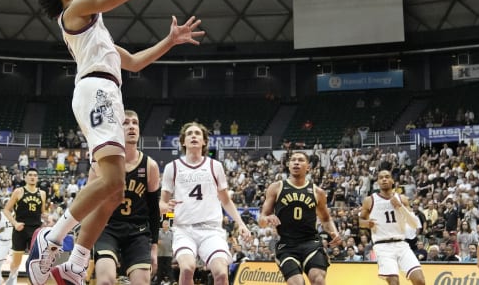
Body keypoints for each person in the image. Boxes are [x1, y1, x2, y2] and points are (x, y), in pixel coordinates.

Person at [28, 0, 204, 285]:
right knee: (110, 184)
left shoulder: (96, 30)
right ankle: (52, 238)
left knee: (115, 187)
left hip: (104, 90)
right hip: (96, 91)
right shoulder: (78, 8)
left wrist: (169, 42)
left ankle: (76, 263)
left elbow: (136, 62)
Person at [159, 122, 251, 285]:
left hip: (211, 230)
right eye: (189, 134)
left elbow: (225, 200)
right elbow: (162, 203)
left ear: (204, 142)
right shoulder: (171, 167)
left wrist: (241, 223)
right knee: (187, 268)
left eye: (197, 134)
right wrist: (165, 208)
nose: (193, 136)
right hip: (184, 229)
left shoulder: (215, 166)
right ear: (183, 141)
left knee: (221, 273)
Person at [90, 110, 161, 285]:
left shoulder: (150, 166)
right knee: (105, 281)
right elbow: (88, 203)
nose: (131, 126)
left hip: (138, 231)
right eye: (126, 122)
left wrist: (154, 247)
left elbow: (154, 210)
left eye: (135, 123)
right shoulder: (103, 163)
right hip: (107, 228)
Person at [259, 151, 342, 285]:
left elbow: (326, 219)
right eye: (293, 160)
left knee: (318, 279)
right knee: (297, 283)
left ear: (308, 167)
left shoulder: (318, 192)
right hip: (287, 244)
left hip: (311, 243)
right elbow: (261, 220)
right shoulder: (276, 188)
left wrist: (334, 233)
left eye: (301, 160)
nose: (296, 162)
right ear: (288, 165)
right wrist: (267, 219)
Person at [359, 170, 425, 285]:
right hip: (382, 246)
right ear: (378, 182)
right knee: (394, 282)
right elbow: (360, 221)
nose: (384, 179)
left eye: (387, 177)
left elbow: (415, 224)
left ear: (392, 180)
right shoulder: (369, 200)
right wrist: (366, 223)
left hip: (401, 244)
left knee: (420, 280)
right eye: (381, 177)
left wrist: (400, 207)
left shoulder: (402, 199)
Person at [3, 168, 47, 285]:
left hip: (35, 230)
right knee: (16, 261)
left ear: (37, 178)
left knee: (35, 261)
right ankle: (12, 278)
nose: (33, 177)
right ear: (25, 177)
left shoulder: (42, 193)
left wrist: (48, 218)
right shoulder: (18, 191)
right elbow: (6, 210)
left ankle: (33, 281)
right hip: (20, 229)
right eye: (30, 175)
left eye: (35, 175)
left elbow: (42, 212)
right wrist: (15, 223)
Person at [0, 207, 15, 285]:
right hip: (3, 242)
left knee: (14, 263)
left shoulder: (15, 214)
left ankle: (11, 280)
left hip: (12, 242)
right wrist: (0, 230)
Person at [157, 219, 174, 285]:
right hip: (160, 254)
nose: (166, 225)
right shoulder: (159, 232)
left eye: (167, 224)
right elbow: (155, 240)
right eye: (164, 224)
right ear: (162, 225)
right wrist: (158, 242)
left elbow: (173, 242)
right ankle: (158, 282)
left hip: (168, 254)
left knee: (169, 268)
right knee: (160, 269)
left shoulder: (171, 233)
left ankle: (172, 281)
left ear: (168, 225)